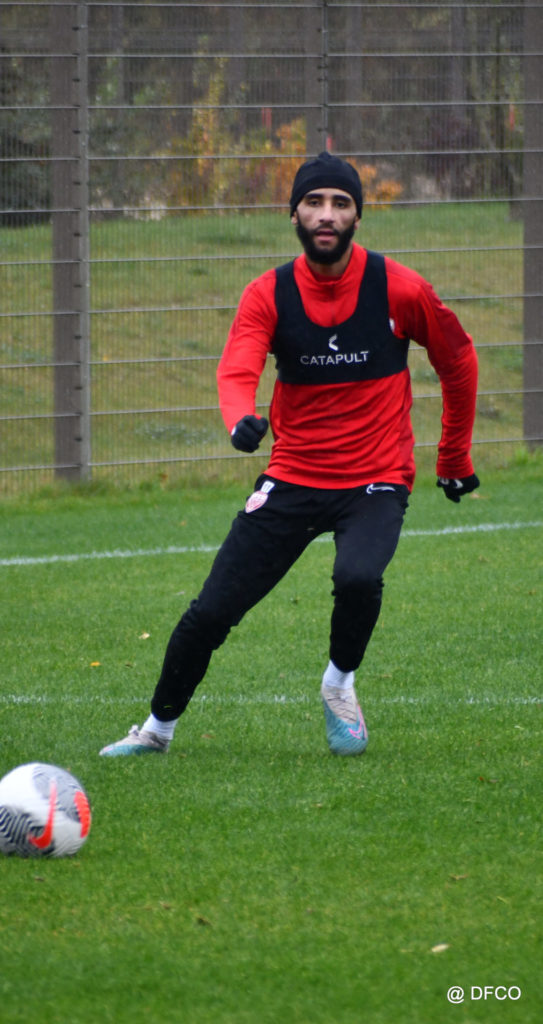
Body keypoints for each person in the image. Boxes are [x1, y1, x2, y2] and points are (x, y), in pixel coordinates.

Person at [100, 151, 479, 759]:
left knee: (358, 576)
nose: (326, 214)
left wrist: (453, 458)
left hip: (376, 476)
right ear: (294, 214)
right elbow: (237, 367)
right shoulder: (268, 294)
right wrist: (239, 419)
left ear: (357, 216)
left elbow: (457, 359)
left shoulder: (399, 288)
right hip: (294, 476)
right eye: (314, 202)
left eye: (340, 203)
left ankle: (339, 685)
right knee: (212, 610)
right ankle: (155, 731)